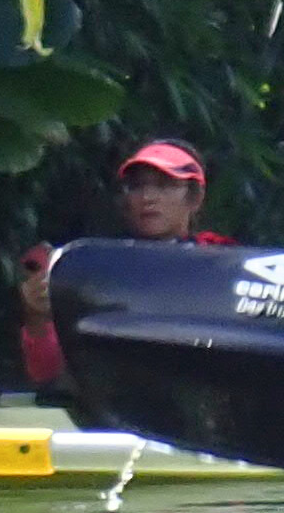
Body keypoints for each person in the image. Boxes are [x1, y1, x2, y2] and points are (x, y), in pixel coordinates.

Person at [17, 139, 227, 391]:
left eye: (164, 185)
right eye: (136, 187)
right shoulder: (96, 268)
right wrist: (37, 317)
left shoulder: (222, 264)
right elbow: (46, 372)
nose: (148, 197)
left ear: (195, 198)